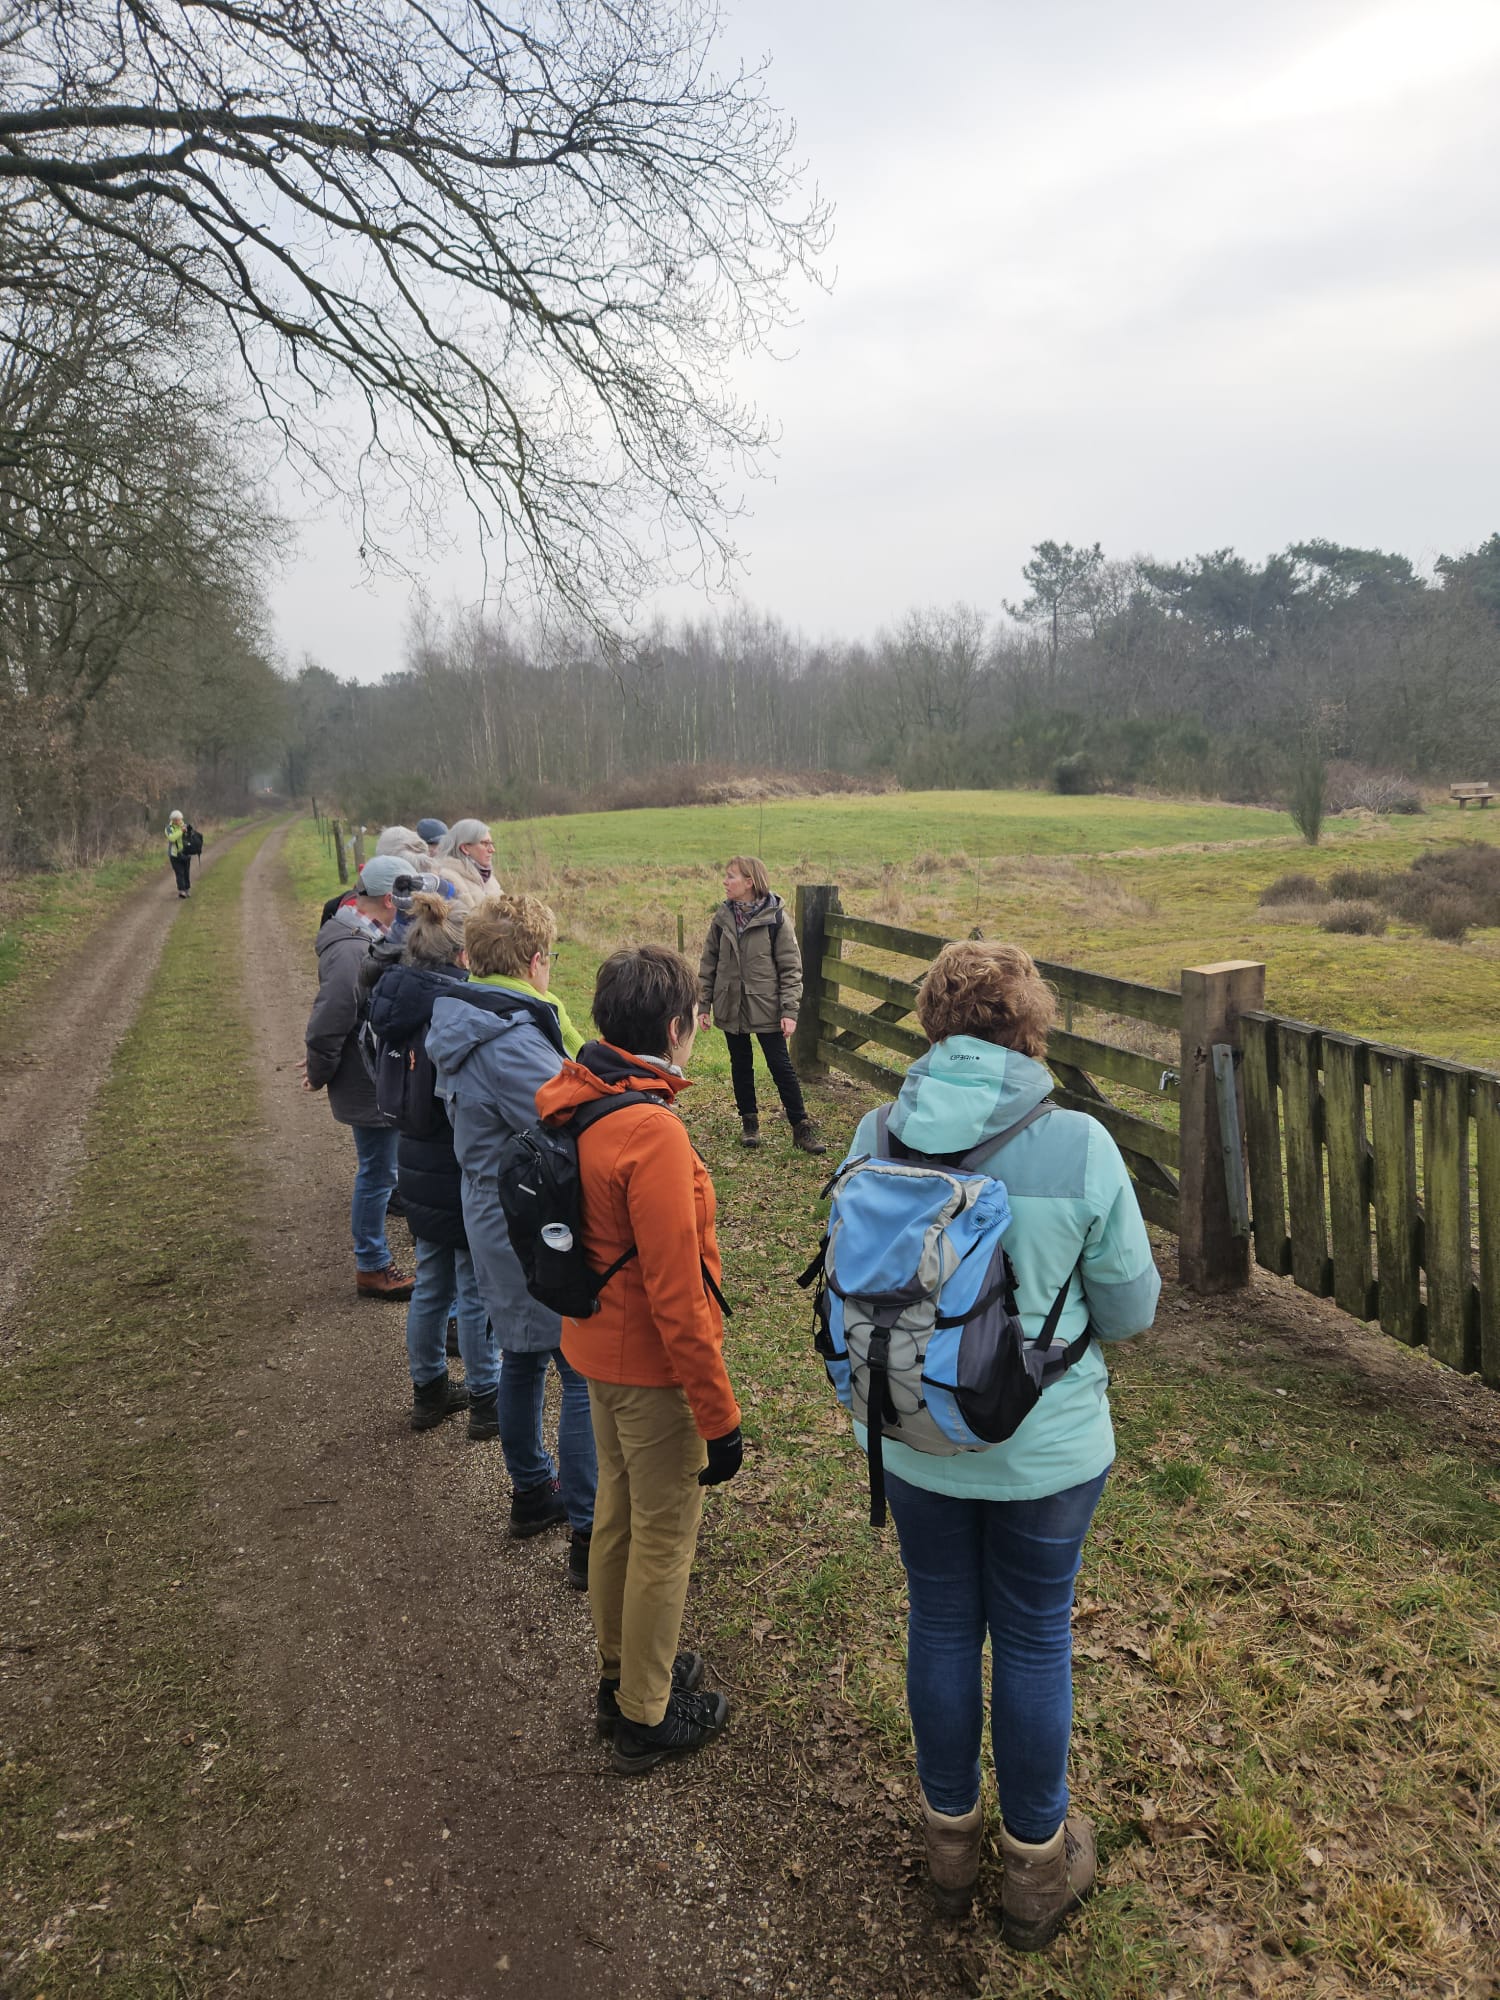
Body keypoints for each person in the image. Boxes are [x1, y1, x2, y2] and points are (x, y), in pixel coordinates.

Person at [838, 940, 1159, 1948]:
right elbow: (1132, 1308)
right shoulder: (1079, 1144)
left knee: (939, 1618)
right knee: (1031, 1633)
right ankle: (1033, 1865)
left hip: (909, 1431)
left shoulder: (875, 1127)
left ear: (934, 1024)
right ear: (1031, 1027)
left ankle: (947, 1841)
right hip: (1045, 1450)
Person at [536, 945, 742, 1776]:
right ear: (676, 1027)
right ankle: (645, 1717)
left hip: (591, 1352)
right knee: (663, 1537)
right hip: (650, 1370)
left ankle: (621, 1676)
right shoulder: (649, 1129)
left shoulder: (578, 1096)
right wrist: (719, 1415)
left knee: (619, 1518)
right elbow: (677, 1295)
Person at [426, 895, 596, 1576]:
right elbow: (572, 1115)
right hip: (527, 1219)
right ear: (535, 960)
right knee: (578, 1368)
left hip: (491, 1207)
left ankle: (531, 1489)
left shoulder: (468, 1014)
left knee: (524, 1354)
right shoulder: (511, 1038)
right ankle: (588, 1528)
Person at [366, 892, 500, 1434]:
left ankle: (428, 1392)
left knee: (429, 1283)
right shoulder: (455, 1009)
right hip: (457, 1161)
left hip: (412, 1156)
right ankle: (487, 1399)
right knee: (472, 1287)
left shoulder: (390, 999)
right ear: (463, 955)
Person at [302, 853, 414, 1301]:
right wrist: (318, 1071)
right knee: (377, 1173)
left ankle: (374, 1259)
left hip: (375, 1071)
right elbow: (330, 1019)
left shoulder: (366, 933)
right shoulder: (353, 948)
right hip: (367, 1078)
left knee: (383, 1169)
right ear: (389, 899)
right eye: (407, 898)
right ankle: (372, 1265)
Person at [698, 855, 824, 1154]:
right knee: (740, 1064)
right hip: (730, 1003)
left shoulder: (776, 918)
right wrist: (703, 1004)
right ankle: (749, 1124)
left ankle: (801, 1127)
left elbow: (791, 969)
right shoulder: (722, 917)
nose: (725, 881)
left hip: (766, 1005)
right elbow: (708, 962)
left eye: (731, 876)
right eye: (726, 876)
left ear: (749, 882)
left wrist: (789, 1011)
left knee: (780, 1066)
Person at [435, 819, 502, 911]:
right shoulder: (448, 880)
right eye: (485, 844)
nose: (492, 850)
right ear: (465, 848)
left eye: (491, 844)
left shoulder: (488, 877)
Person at [166, 810, 194, 897]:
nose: (178, 821)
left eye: (179, 819)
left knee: (186, 872)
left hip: (186, 854)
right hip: (174, 855)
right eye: (176, 820)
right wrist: (181, 831)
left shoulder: (186, 826)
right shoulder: (168, 828)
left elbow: (191, 837)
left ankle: (187, 889)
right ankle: (181, 891)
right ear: (173, 820)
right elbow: (172, 838)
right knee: (179, 873)